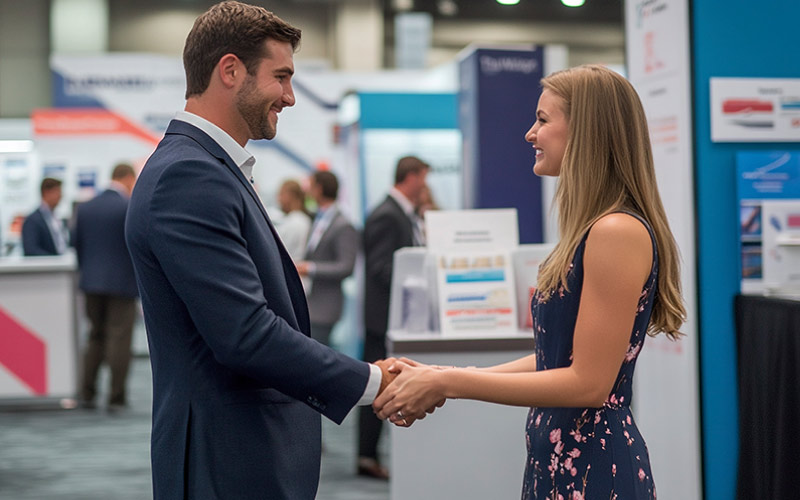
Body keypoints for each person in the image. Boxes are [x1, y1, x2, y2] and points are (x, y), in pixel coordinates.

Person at [124, 3, 402, 499]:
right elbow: (245, 333)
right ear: (230, 70)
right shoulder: (189, 176)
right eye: (282, 77)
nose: (290, 97)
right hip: (225, 460)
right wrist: (371, 381)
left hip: (236, 452)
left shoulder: (207, 168)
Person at [374, 65, 687, 499]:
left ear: (586, 131)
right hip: (561, 458)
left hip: (594, 466)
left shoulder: (616, 231)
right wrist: (444, 373)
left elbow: (589, 383)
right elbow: (554, 357)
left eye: (543, 119)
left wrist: (448, 383)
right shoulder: (594, 228)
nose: (529, 133)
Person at [359, 155, 430, 479]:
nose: (425, 187)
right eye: (423, 179)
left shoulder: (399, 213)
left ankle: (368, 455)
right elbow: (380, 268)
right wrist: (417, 283)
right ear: (411, 177)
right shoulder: (387, 215)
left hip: (391, 318)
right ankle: (366, 456)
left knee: (381, 383)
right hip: (382, 319)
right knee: (374, 384)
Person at [73, 163, 139, 411]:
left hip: (91, 283)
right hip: (122, 284)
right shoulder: (128, 207)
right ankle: (116, 396)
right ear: (128, 179)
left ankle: (87, 393)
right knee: (119, 339)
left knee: (95, 337)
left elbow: (77, 244)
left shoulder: (85, 207)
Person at [295, 170, 358, 347]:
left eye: (311, 186)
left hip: (325, 308)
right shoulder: (318, 218)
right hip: (311, 303)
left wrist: (311, 268)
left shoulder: (343, 225)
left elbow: (346, 266)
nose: (307, 191)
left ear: (319, 189)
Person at [21, 177, 67, 256]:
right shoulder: (32, 220)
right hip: (46, 266)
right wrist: (54, 261)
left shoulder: (55, 218)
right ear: (47, 192)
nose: (60, 196)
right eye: (58, 192)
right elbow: (31, 250)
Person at [275, 178, 311, 260]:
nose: (278, 199)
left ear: (290, 196)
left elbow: (282, 249)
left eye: (281, 194)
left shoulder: (296, 221)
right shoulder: (303, 219)